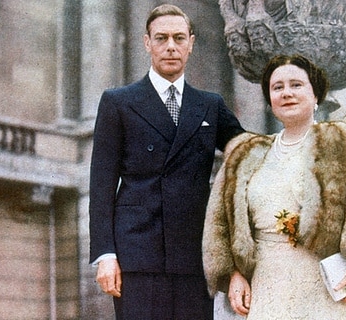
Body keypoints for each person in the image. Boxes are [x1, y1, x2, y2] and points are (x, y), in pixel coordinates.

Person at [202, 54, 346, 319]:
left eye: (296, 85)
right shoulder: (247, 153)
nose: (287, 93)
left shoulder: (344, 142)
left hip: (324, 281)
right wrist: (233, 275)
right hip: (265, 283)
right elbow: (221, 222)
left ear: (316, 94)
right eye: (277, 87)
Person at [89, 4, 244, 319]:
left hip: (195, 254)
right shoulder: (119, 102)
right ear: (147, 43)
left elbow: (246, 153)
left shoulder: (210, 106)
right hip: (137, 256)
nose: (170, 47)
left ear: (191, 43)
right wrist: (106, 254)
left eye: (178, 38)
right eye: (161, 38)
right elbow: (101, 184)